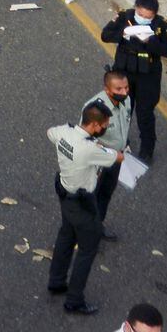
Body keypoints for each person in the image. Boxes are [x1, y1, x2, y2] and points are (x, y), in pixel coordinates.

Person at [47, 102, 125, 316]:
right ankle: (74, 299)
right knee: (88, 248)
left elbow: (49, 132)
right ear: (94, 125)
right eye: (105, 125)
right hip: (83, 203)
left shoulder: (64, 131)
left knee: (66, 235)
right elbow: (118, 157)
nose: (105, 128)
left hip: (65, 194)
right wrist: (107, 148)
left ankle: (56, 281)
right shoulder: (90, 149)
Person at [104, 0, 167, 162]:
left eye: (147, 17)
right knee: (120, 111)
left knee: (145, 115)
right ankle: (119, 142)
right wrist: (123, 33)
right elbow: (105, 35)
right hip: (124, 72)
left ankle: (147, 150)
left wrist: (150, 41)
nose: (143, 18)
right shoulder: (124, 16)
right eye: (140, 14)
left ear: (154, 15)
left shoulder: (160, 25)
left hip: (147, 76)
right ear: (136, 8)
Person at [83, 70, 134, 234]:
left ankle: (98, 226)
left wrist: (124, 144)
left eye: (126, 88)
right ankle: (85, 233)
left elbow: (125, 123)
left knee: (106, 193)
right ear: (107, 89)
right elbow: (85, 139)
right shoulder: (94, 110)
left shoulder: (127, 101)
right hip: (99, 161)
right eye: (118, 89)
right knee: (91, 197)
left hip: (117, 158)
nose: (124, 92)